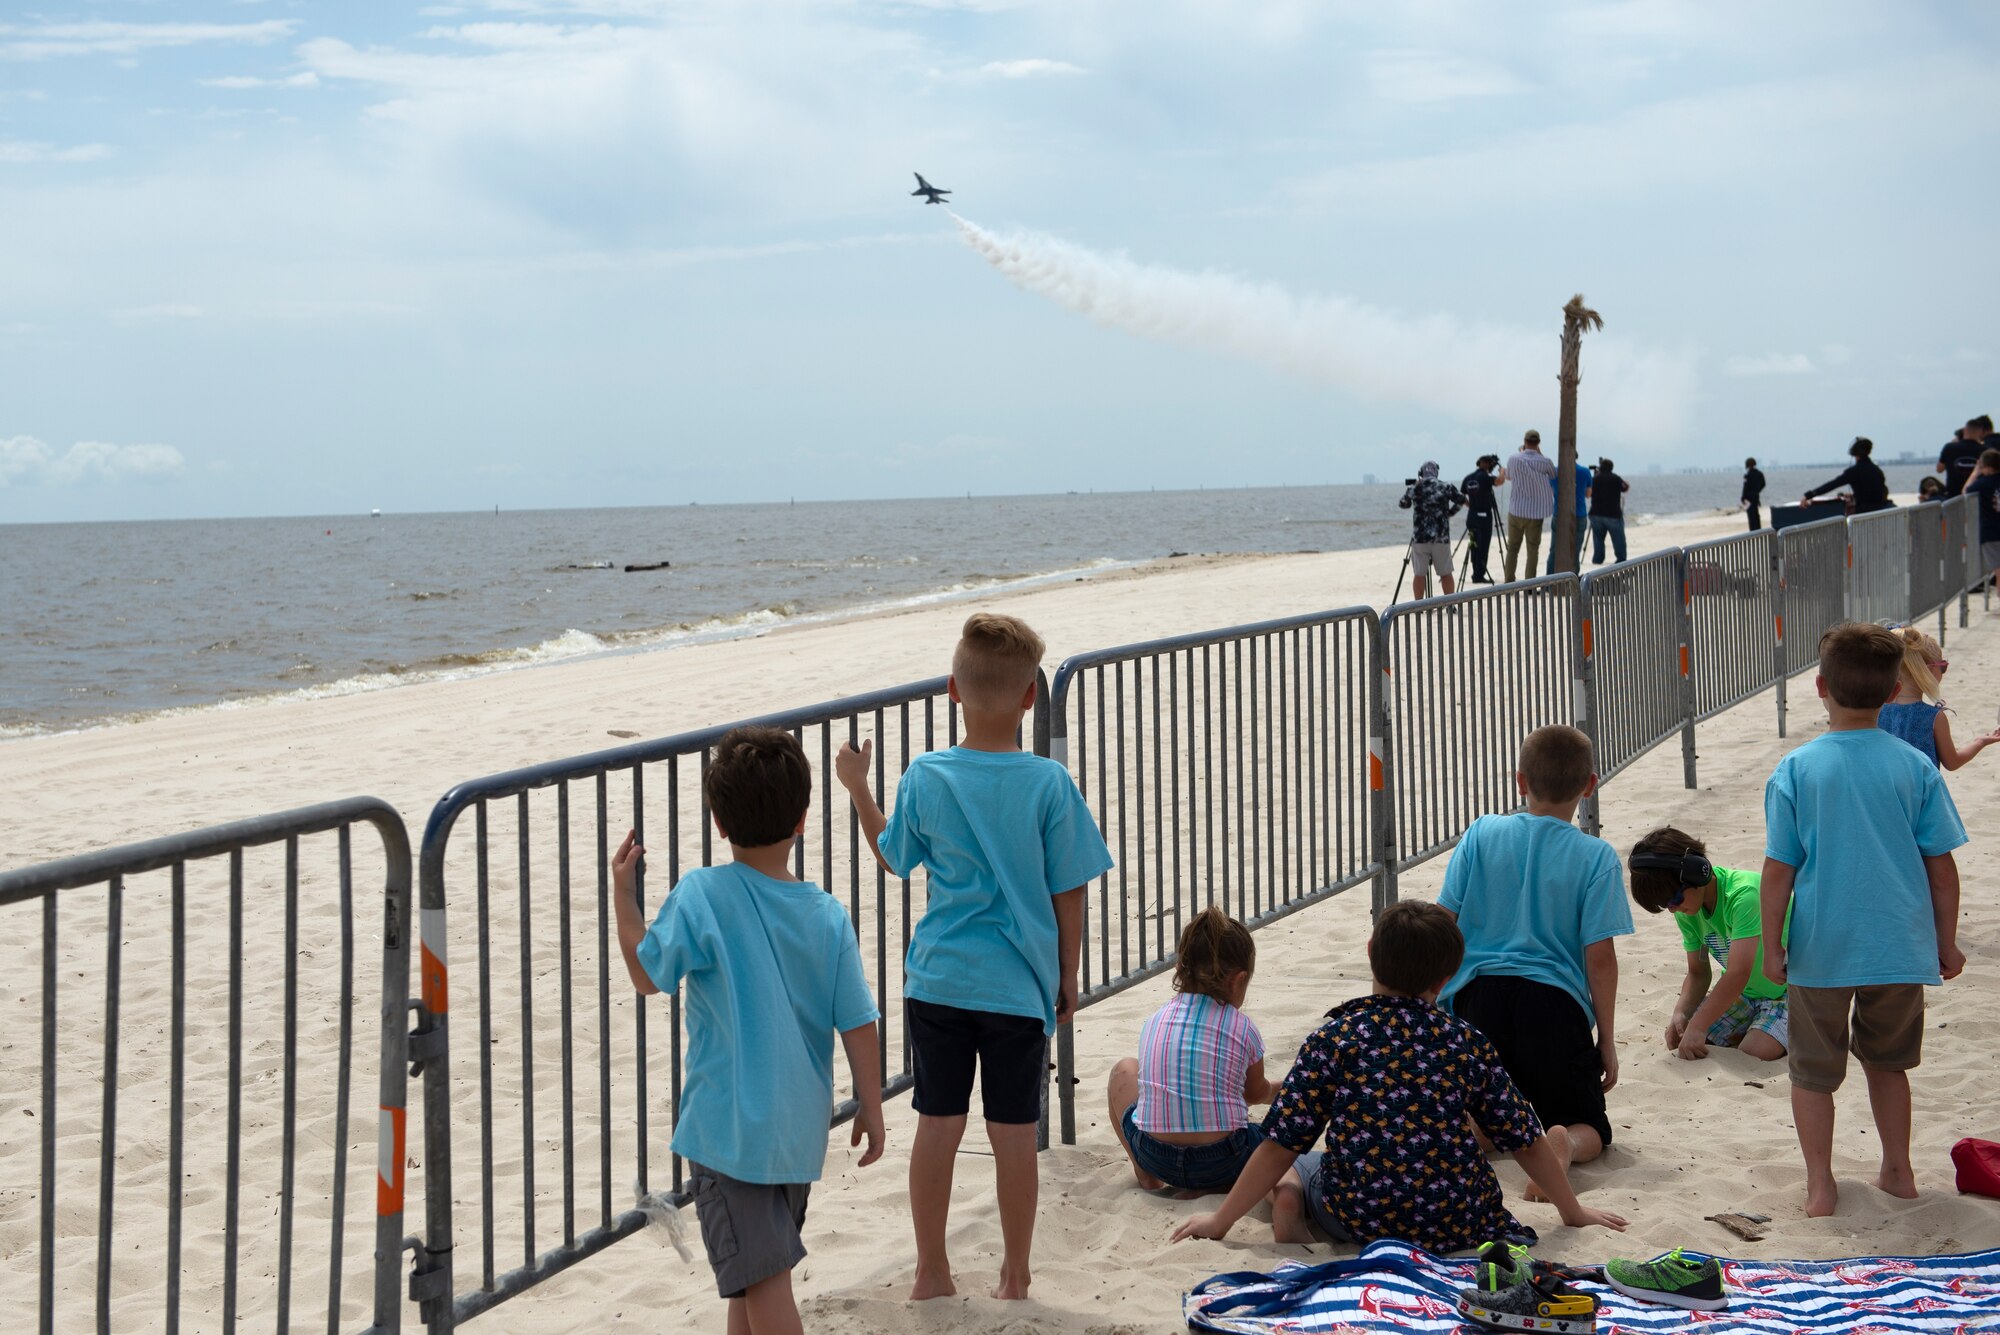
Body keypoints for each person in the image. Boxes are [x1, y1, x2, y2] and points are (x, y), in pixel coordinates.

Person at [836, 612, 1113, 1301]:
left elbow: (895, 854)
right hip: (1017, 983)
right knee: (1014, 1130)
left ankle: (932, 1269)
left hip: (938, 979)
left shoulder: (927, 774)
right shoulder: (1050, 783)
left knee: (939, 1122)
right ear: (1030, 698)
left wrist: (858, 787)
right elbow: (1068, 886)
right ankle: (1015, 1275)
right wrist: (1068, 971)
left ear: (952, 690)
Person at [612, 727, 886, 1335]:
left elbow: (646, 973)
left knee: (764, 1282)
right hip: (795, 1132)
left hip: (729, 1134)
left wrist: (624, 898)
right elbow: (859, 1022)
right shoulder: (826, 912)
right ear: (803, 818)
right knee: (751, 1281)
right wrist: (871, 1105)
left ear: (719, 821)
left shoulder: (702, 896)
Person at [1168, 902, 1627, 1252]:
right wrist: (1572, 1210)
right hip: (1457, 1221)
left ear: (1370, 954)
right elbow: (1525, 1137)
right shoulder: (1466, 1041)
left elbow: (1279, 1142)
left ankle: (1290, 1198)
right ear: (1446, 978)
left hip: (1359, 1218)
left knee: (1297, 1163)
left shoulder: (1335, 1038)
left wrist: (1222, 1221)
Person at [1760, 622, 1967, 1217]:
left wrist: (1772, 945)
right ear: (1892, 688)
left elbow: (1779, 871)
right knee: (1890, 1063)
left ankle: (1821, 1184)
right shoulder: (1914, 767)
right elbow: (1941, 868)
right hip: (1899, 944)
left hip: (1823, 946)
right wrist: (1945, 942)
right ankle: (1898, 1171)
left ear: (1821, 686)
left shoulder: (1797, 769)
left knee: (1812, 1071)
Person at [1439, 725, 1632, 1188]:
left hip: (1476, 1000)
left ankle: (1480, 1132)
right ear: (1590, 785)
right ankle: (1563, 1142)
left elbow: (1443, 922)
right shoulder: (1595, 856)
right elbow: (1600, 957)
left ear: (1520, 780)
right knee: (1589, 1124)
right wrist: (1605, 1037)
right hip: (1554, 1005)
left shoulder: (1483, 832)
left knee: (1484, 1106)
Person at [1107, 907, 1273, 1194]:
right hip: (1223, 1161)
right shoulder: (1243, 1028)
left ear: (1179, 969)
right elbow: (1255, 1094)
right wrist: (1283, 1089)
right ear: (1238, 980)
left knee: (1123, 1070)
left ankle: (1144, 1172)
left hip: (1156, 1156)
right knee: (1277, 1139)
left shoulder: (1155, 1020)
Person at [1627, 828, 1787, 1063]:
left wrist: (1699, 1026)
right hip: (1744, 996)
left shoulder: (1744, 896)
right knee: (1680, 1041)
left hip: (1789, 994)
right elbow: (1698, 972)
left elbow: (1738, 973)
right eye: (1665, 905)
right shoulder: (1687, 912)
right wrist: (1681, 1013)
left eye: (1673, 899)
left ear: (1697, 873)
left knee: (1752, 1054)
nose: (1672, 909)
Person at [1878, 625, 2000, 770]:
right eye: (1943, 666)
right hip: (1921, 791)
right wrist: (1980, 742)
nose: (1943, 671)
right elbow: (1952, 762)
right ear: (1928, 670)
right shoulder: (1934, 717)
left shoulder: (1875, 709)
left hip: (1884, 790)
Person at [1398, 461, 1464, 599]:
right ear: (1436, 472)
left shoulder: (1416, 487)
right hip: (1441, 537)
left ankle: (1418, 605)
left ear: (1421, 473)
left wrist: (1413, 490)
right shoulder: (1446, 486)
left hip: (1420, 538)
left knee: (1419, 574)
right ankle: (1450, 604)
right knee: (1445, 573)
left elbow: (1403, 504)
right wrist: (1449, 514)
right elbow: (1461, 499)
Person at [1502, 429, 1556, 582]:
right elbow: (1553, 474)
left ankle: (1509, 582)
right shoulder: (1544, 461)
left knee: (1512, 548)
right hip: (1536, 512)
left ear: (1524, 442)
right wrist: (1540, 454)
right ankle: (1529, 584)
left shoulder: (1513, 459)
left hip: (1516, 510)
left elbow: (1509, 476)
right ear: (1538, 443)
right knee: (1532, 550)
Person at [1802, 436, 1892, 514]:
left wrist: (1809, 495)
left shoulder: (1853, 472)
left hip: (1863, 514)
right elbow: (1877, 492)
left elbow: (1832, 484)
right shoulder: (1877, 470)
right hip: (1880, 512)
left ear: (1854, 453)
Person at [1460, 454, 1506, 584]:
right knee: (1483, 546)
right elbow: (1499, 482)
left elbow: (1461, 496)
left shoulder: (1468, 478)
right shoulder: (1485, 477)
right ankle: (1479, 574)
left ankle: (1476, 573)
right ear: (1486, 464)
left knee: (1474, 545)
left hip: (1472, 515)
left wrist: (1471, 505)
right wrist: (1502, 472)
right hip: (1484, 516)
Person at [1545, 455, 1592, 574]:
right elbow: (1588, 494)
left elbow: (1551, 491)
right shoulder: (1584, 471)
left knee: (1554, 550)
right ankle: (1573, 580)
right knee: (1575, 551)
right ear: (1576, 457)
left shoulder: (1554, 472)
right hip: (1579, 514)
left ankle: (1549, 580)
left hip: (1559, 514)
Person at [1964, 447, 2000, 592]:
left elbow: (1966, 490)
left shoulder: (1983, 483)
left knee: (1998, 570)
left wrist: (1975, 472)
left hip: (1991, 532)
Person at [1588, 457, 1630, 565]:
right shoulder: (1615, 478)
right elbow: (1625, 487)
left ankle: (1598, 559)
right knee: (1618, 539)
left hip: (1596, 514)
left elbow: (1589, 492)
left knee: (1598, 539)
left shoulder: (1595, 478)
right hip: (1613, 514)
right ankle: (1621, 559)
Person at [1937, 421, 1987, 497]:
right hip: (1976, 496)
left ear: (1964, 430)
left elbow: (1939, 469)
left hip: (1953, 496)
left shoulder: (1949, 448)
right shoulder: (1985, 451)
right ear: (1980, 432)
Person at [1742, 457, 1767, 531]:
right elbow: (1763, 484)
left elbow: (1745, 488)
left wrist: (1743, 498)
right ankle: (1758, 530)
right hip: (1756, 497)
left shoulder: (1747, 475)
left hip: (1749, 499)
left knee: (1751, 516)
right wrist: (1757, 491)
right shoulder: (1759, 474)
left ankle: (1753, 531)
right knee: (1756, 515)